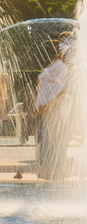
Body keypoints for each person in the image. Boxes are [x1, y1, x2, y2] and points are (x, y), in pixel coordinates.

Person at [35, 31, 76, 181]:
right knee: (51, 143)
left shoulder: (62, 67)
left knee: (53, 143)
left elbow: (61, 89)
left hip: (53, 111)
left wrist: (47, 105)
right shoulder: (59, 65)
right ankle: (53, 173)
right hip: (50, 110)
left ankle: (55, 173)